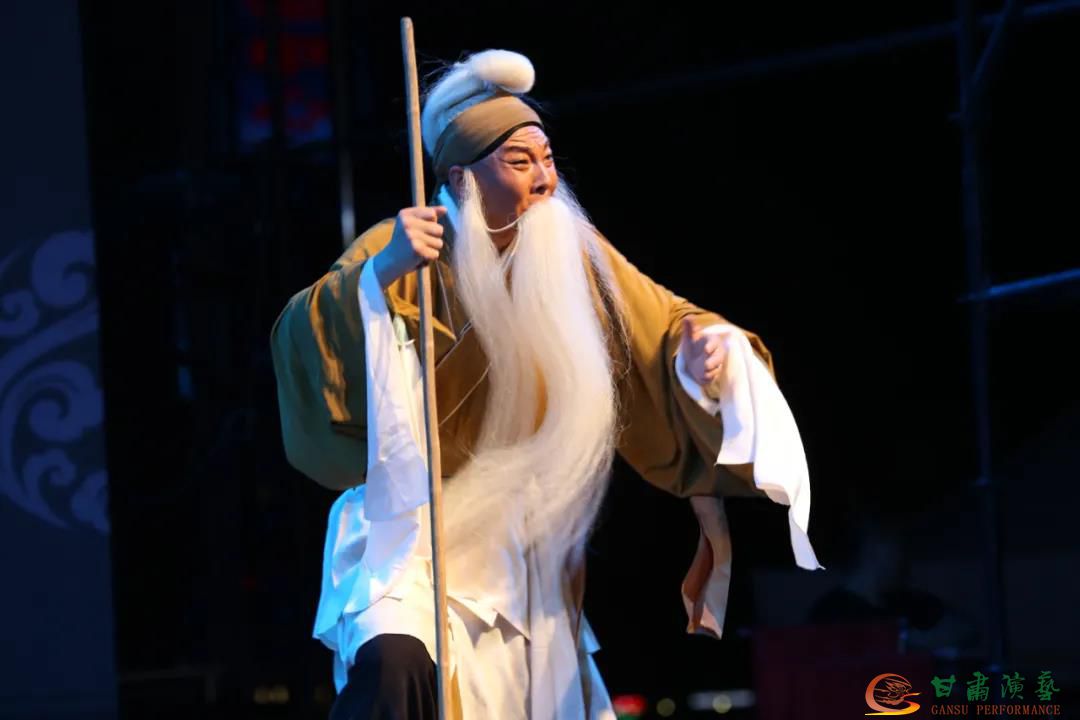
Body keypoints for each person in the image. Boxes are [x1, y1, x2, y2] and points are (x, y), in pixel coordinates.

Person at [270, 48, 822, 720]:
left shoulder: (568, 250)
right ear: (461, 178)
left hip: (520, 544)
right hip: (408, 530)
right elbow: (307, 331)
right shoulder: (409, 243)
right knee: (393, 666)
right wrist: (379, 275)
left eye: (547, 159)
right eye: (519, 162)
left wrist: (706, 350)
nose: (544, 180)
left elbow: (660, 320)